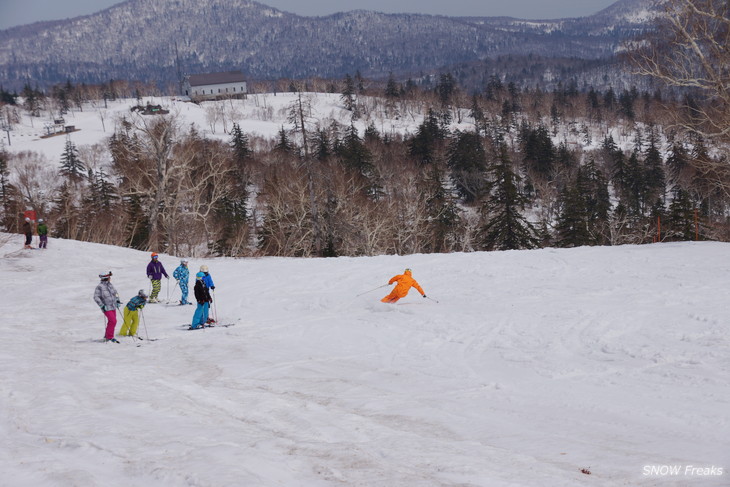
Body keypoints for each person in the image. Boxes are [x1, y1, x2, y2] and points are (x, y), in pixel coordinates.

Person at [93, 271, 121, 343]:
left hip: (113, 306)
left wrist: (117, 300)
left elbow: (115, 293)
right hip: (106, 307)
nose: (110, 278)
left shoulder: (110, 285)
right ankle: (110, 337)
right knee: (113, 321)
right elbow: (96, 297)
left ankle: (107, 336)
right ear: (106, 278)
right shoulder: (99, 287)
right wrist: (102, 305)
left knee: (112, 321)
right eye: (109, 277)